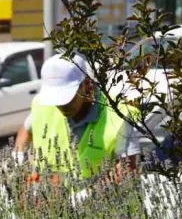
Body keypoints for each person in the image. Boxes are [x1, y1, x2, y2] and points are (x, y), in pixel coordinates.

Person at [14, 53, 140, 185]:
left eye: (67, 97)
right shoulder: (43, 104)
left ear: (86, 84)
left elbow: (127, 169)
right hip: (50, 200)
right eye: (56, 99)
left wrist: (85, 196)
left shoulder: (119, 115)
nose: (62, 105)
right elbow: (26, 129)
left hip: (100, 202)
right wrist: (19, 157)